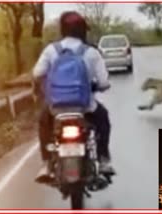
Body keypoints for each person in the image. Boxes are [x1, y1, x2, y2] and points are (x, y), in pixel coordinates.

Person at [33, 11, 115, 182]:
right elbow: (104, 82)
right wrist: (98, 86)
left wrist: (43, 88)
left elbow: (37, 73)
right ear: (83, 30)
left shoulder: (51, 50)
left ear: (62, 29)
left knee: (43, 122)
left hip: (55, 108)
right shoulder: (91, 52)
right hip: (85, 107)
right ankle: (103, 159)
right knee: (103, 119)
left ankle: (47, 164)